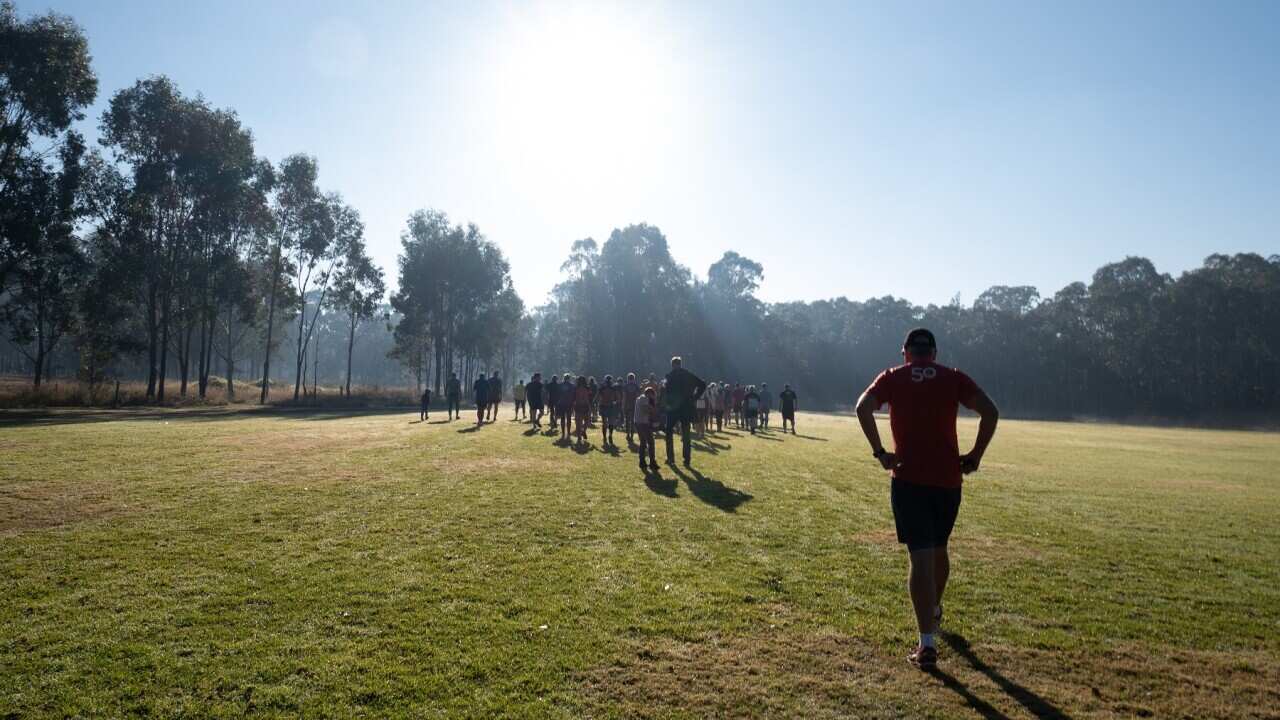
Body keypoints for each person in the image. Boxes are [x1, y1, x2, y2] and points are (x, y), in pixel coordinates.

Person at [855, 327, 999, 671]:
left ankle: (927, 644)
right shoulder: (952, 377)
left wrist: (880, 453)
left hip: (909, 479)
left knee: (920, 558)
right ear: (933, 353)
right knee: (939, 549)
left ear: (905, 352)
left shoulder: (893, 377)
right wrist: (975, 456)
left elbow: (863, 408)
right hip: (948, 481)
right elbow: (990, 411)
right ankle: (934, 609)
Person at [663, 356, 707, 467]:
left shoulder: (670, 376)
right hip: (686, 407)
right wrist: (695, 397)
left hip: (673, 408)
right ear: (680, 364)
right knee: (686, 433)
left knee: (669, 432)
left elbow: (666, 392)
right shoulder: (687, 374)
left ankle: (670, 458)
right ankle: (686, 459)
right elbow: (702, 384)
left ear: (673, 365)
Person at [633, 386, 658, 472]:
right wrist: (653, 408)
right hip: (642, 423)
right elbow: (646, 410)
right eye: (653, 395)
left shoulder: (640, 398)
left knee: (643, 442)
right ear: (649, 394)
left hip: (639, 422)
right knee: (650, 442)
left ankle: (643, 462)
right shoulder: (644, 399)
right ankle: (651, 462)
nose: (653, 397)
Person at [598, 375, 621, 446]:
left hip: (604, 406)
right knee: (610, 423)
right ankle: (610, 435)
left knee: (605, 423)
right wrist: (615, 402)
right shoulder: (613, 388)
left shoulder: (602, 388)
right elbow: (618, 398)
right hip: (610, 406)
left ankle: (605, 437)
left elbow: (597, 397)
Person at [573, 375, 592, 445]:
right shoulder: (587, 388)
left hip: (579, 406)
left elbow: (574, 398)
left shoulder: (576, 388)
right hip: (585, 405)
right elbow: (590, 397)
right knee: (586, 421)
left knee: (579, 423)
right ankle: (583, 431)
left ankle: (579, 436)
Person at [623, 373, 641, 443]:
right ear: (634, 378)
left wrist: (623, 405)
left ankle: (627, 434)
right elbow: (638, 396)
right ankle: (632, 435)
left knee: (627, 420)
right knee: (633, 421)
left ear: (628, 379)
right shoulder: (636, 386)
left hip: (627, 405)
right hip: (635, 405)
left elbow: (624, 397)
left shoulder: (625, 386)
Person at [558, 373, 575, 441]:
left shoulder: (560, 385)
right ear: (569, 378)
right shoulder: (572, 386)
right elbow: (573, 395)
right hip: (569, 404)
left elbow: (558, 394)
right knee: (568, 419)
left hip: (562, 404)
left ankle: (563, 432)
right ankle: (568, 432)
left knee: (563, 419)